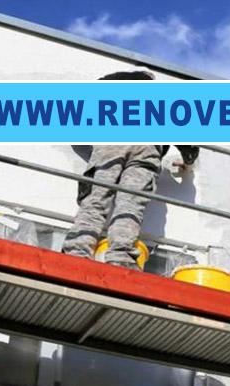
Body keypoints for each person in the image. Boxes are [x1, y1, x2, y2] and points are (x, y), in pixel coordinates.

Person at [62, 68, 199, 270]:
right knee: (131, 204)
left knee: (96, 199)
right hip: (147, 147)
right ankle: (120, 256)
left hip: (110, 139)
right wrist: (188, 160)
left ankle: (77, 251)